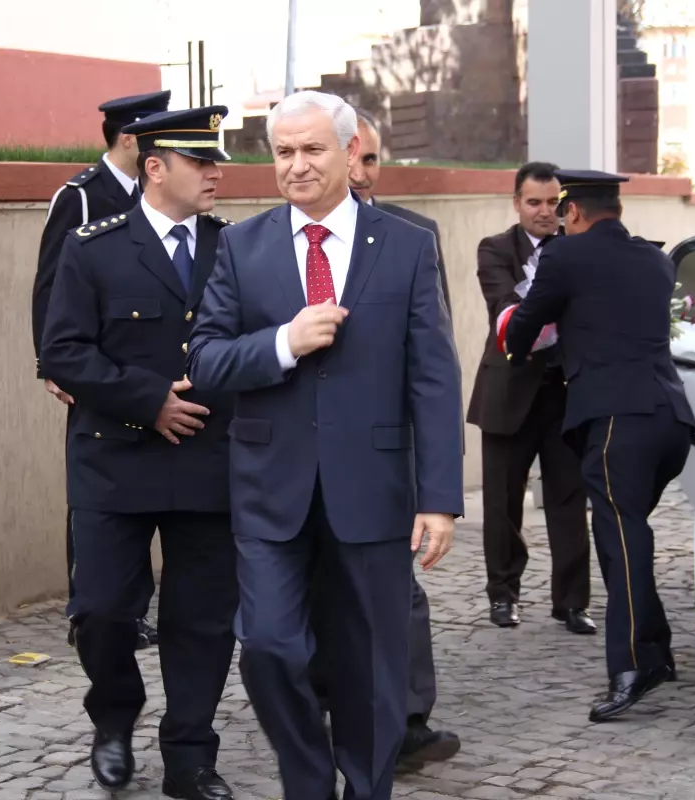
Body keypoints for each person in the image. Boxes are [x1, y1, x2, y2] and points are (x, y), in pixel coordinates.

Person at [186, 90, 464, 800]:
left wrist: (438, 499)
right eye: (284, 152)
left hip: (372, 491)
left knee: (372, 665)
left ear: (349, 153)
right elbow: (208, 361)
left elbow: (433, 376)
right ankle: (309, 781)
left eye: (313, 150)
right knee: (271, 648)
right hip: (268, 491)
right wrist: (283, 342)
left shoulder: (405, 245)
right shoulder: (241, 247)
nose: (297, 165)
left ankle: (366, 789)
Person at [39, 105, 240, 798]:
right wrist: (147, 398)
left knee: (204, 620)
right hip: (113, 460)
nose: (217, 174)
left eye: (216, 162)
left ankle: (190, 754)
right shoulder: (93, 247)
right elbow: (61, 352)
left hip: (208, 460)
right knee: (100, 608)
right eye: (200, 162)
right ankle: (114, 721)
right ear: (155, 168)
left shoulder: (234, 247)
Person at [290, 107, 456, 771]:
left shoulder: (414, 236)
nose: (361, 172)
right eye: (351, 158)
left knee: (395, 597)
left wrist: (431, 480)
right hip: (301, 458)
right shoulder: (276, 241)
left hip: (384, 460)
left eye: (370, 160)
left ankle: (406, 718)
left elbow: (432, 362)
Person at [498, 169, 695, 723]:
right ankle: (654, 647)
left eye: (563, 213)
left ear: (575, 213)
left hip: (616, 421)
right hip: (670, 421)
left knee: (621, 539)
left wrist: (517, 340)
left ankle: (633, 665)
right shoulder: (657, 261)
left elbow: (524, 327)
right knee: (629, 530)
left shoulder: (566, 257)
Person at [32, 89, 171, 651]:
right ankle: (88, 606)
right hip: (96, 367)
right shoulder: (84, 196)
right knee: (96, 493)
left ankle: (132, 609)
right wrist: (50, 361)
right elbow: (50, 282)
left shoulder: (150, 193)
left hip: (147, 369)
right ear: (131, 138)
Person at [465, 162, 594, 634]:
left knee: (568, 502)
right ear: (516, 203)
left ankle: (573, 602)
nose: (544, 212)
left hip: (565, 394)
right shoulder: (495, 249)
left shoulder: (580, 248)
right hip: (508, 391)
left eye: (552, 203)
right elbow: (506, 309)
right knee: (501, 504)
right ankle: (503, 596)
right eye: (534, 202)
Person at [348, 110, 451, 315]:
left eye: (369, 160)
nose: (359, 176)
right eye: (349, 160)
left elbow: (437, 332)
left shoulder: (418, 234)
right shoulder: (303, 233)